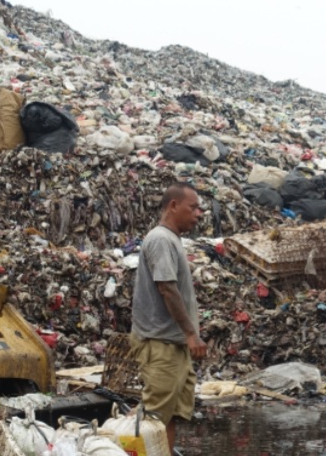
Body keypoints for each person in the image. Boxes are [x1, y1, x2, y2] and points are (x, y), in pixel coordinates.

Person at [130, 182, 207, 455]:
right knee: (153, 418)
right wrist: (190, 333)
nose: (199, 213)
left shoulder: (172, 239)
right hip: (161, 345)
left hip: (173, 345)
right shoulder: (161, 239)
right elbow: (167, 288)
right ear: (173, 206)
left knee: (170, 415)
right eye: (193, 207)